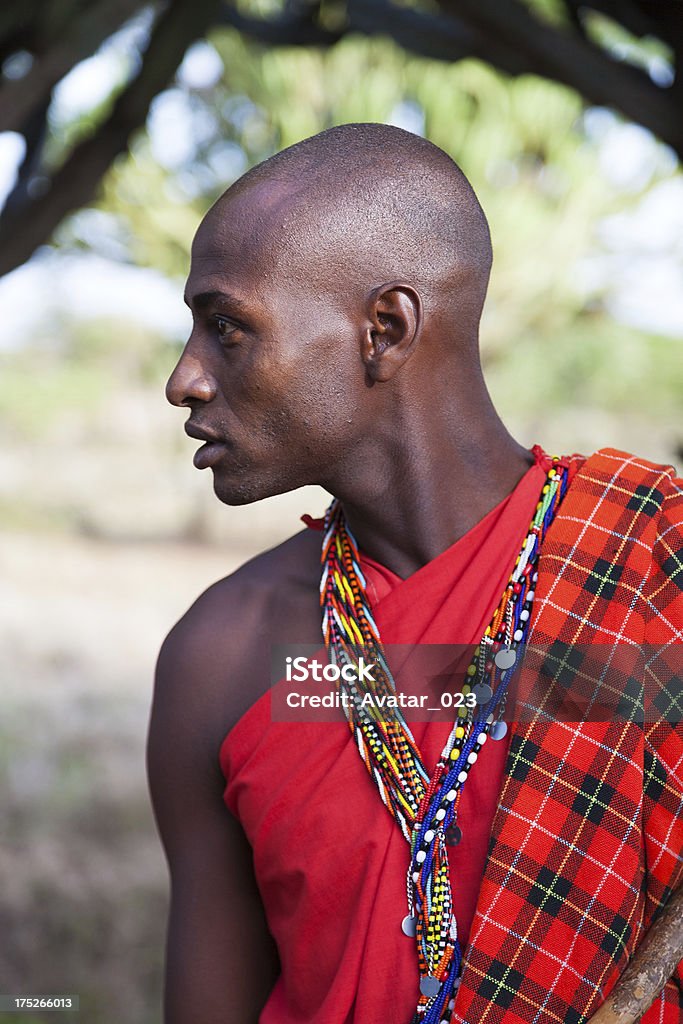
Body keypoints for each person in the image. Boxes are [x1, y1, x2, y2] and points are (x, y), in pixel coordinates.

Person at [147, 123, 683, 1024]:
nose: (184, 379)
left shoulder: (652, 567)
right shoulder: (227, 657)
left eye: (227, 327)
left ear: (384, 330)